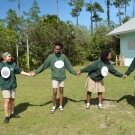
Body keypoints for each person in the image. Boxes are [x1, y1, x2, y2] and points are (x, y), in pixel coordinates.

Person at [31, 42, 77, 114]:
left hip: (62, 77)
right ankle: (53, 106)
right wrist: (36, 72)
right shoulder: (50, 57)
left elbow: (69, 66)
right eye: (55, 49)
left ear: (60, 50)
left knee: (61, 91)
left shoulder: (63, 56)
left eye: (58, 49)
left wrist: (75, 72)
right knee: (55, 92)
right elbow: (44, 65)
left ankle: (61, 106)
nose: (56, 50)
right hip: (54, 77)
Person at [0, 51, 31, 124]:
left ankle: (12, 113)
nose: (10, 57)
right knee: (7, 100)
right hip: (5, 85)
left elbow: (20, 71)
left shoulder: (13, 65)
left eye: (10, 56)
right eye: (9, 56)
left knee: (12, 100)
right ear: (4, 57)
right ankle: (7, 116)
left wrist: (29, 74)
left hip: (13, 84)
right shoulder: (0, 65)